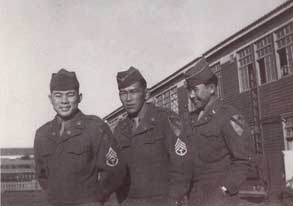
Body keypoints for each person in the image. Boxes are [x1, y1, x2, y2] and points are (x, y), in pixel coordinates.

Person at [34, 69, 124, 206]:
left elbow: (115, 171)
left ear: (79, 97)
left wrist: (96, 198)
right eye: (58, 95)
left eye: (70, 95)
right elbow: (42, 175)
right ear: (50, 99)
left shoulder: (95, 128)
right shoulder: (42, 134)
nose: (64, 101)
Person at [113, 66, 192, 206]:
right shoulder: (120, 129)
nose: (128, 98)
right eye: (123, 93)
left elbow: (183, 167)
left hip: (163, 201)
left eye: (133, 91)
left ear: (146, 93)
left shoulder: (166, 119)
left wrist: (173, 200)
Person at [185, 58, 258, 206]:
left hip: (220, 199)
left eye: (195, 90)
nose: (191, 95)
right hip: (195, 196)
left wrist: (225, 188)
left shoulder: (227, 115)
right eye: (189, 90)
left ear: (211, 88)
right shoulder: (191, 119)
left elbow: (244, 160)